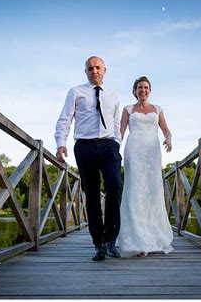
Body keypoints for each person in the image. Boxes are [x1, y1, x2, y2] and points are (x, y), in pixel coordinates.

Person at [55, 56, 122, 261]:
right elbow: (64, 119)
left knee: (115, 185)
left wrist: (117, 143)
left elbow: (117, 123)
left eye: (98, 67)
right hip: (84, 146)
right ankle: (98, 244)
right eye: (90, 68)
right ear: (86, 72)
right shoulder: (75, 92)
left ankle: (111, 239)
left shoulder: (113, 95)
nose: (94, 71)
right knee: (91, 195)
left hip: (109, 145)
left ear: (105, 70)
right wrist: (61, 143)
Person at [116, 76, 174, 258]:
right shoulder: (128, 109)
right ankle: (137, 240)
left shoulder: (157, 109)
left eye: (146, 87)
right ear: (135, 91)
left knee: (152, 190)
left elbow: (166, 129)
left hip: (152, 150)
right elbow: (121, 132)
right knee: (135, 189)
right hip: (134, 149)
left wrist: (168, 139)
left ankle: (154, 237)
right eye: (140, 87)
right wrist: (114, 150)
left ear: (150, 90)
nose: (143, 90)